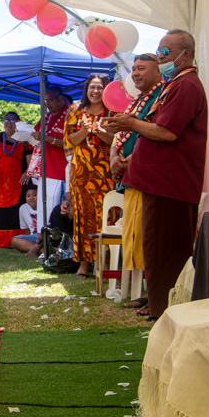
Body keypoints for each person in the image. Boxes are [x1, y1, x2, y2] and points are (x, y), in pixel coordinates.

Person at [103, 29, 208, 321]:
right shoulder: (175, 84)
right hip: (157, 181)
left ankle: (166, 314)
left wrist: (131, 123)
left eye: (166, 52)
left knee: (165, 252)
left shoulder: (186, 85)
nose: (161, 57)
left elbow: (168, 132)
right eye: (159, 51)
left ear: (185, 54)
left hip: (169, 183)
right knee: (157, 251)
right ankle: (161, 308)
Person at [108, 55, 164, 315]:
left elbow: (154, 133)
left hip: (148, 178)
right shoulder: (138, 100)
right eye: (133, 70)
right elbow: (120, 135)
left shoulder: (162, 95)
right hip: (131, 178)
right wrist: (114, 159)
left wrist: (127, 161)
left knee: (150, 238)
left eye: (142, 69)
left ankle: (157, 296)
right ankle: (146, 292)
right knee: (136, 236)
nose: (136, 74)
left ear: (157, 71)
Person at [64, 74, 116, 278]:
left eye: (100, 87)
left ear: (107, 90)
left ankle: (107, 264)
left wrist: (100, 130)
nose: (95, 91)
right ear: (86, 90)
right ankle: (84, 264)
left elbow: (116, 141)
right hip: (82, 173)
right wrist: (85, 131)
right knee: (83, 217)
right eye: (92, 87)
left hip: (106, 173)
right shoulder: (75, 111)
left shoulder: (112, 112)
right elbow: (69, 142)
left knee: (107, 216)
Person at [0, 111, 34, 248]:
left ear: (18, 123)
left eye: (13, 120)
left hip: (19, 182)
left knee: (16, 212)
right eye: (7, 119)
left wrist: (26, 173)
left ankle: (18, 241)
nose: (9, 122)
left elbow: (30, 161)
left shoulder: (25, 140)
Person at [30, 86, 69, 231]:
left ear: (60, 98)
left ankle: (54, 245)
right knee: (42, 209)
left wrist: (48, 139)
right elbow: (36, 133)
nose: (48, 104)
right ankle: (43, 243)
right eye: (46, 101)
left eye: (50, 100)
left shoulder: (69, 115)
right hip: (44, 170)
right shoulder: (46, 116)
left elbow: (70, 142)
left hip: (59, 171)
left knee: (55, 208)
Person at [10, 186, 41, 256]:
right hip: (34, 237)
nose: (31, 198)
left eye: (34, 195)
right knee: (15, 240)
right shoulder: (23, 208)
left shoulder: (45, 206)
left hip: (45, 236)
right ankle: (41, 250)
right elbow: (26, 229)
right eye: (28, 196)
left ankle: (38, 249)